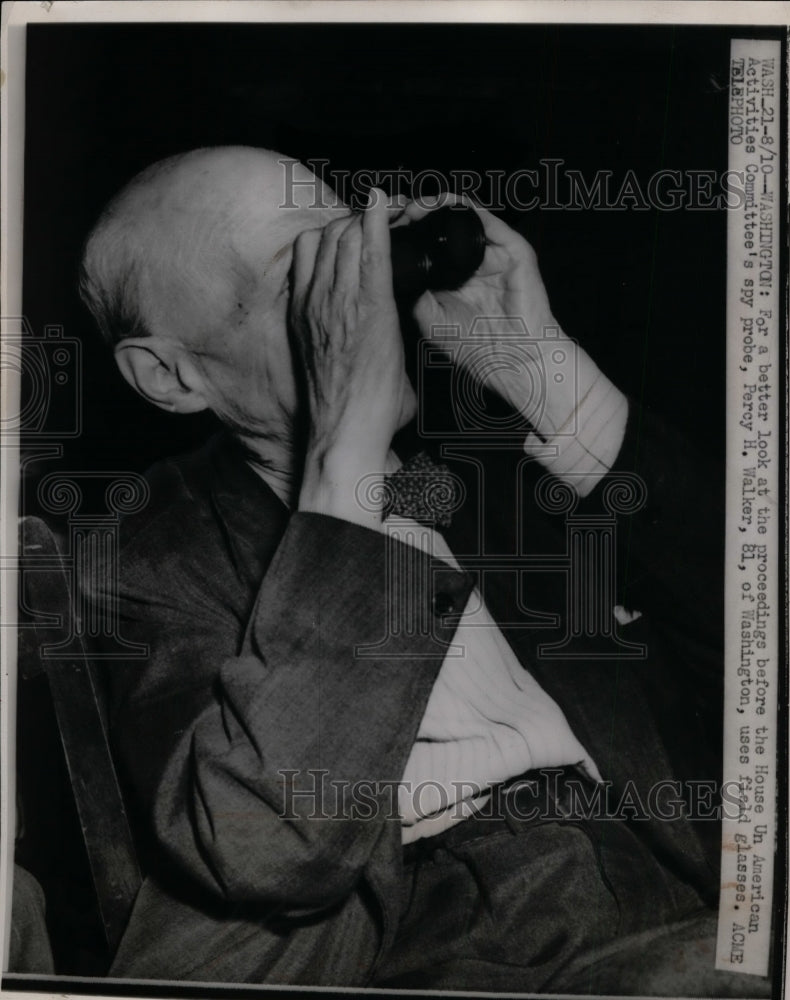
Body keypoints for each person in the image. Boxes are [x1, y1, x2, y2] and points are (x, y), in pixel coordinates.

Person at [76, 146, 764, 995]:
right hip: (473, 949)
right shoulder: (152, 553)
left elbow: (759, 639)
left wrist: (550, 380)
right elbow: (263, 847)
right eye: (314, 283)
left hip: (691, 886)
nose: (366, 304)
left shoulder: (486, 475)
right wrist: (342, 468)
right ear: (170, 375)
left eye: (360, 251)